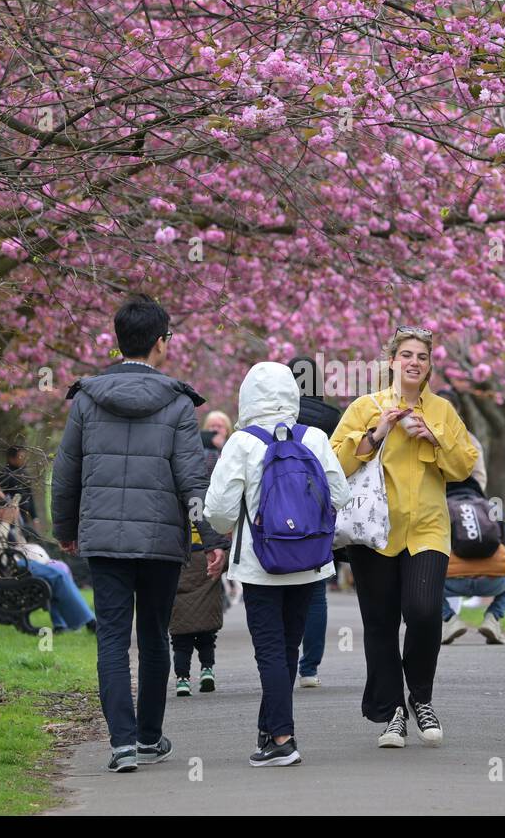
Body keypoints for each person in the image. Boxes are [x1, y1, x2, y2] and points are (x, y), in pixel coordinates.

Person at [51, 294, 226, 774]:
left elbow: (66, 471)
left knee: (111, 639)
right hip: (160, 544)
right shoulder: (176, 402)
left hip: (104, 541)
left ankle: (122, 744)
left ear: (118, 340)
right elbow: (193, 479)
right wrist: (209, 537)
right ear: (161, 343)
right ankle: (149, 738)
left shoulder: (87, 398)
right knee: (153, 637)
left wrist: (65, 529)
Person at [329, 326, 477, 749]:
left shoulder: (443, 411)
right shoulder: (365, 406)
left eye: (422, 357)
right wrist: (376, 433)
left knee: (425, 611)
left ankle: (421, 697)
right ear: (391, 361)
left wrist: (435, 438)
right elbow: (336, 461)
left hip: (427, 529)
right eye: (406, 355)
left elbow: (464, 465)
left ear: (430, 365)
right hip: (373, 531)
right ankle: (393, 712)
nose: (414, 362)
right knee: (380, 623)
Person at [204, 362, 350, 766]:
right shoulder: (315, 437)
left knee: (269, 649)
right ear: (292, 395)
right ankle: (270, 730)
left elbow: (217, 508)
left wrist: (232, 525)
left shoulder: (242, 442)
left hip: (260, 562)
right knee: (288, 648)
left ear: (246, 396)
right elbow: (340, 494)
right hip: (310, 561)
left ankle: (282, 739)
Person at [0, 470, 96, 633]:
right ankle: (88, 622)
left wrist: (5, 519)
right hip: (4, 568)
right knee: (58, 573)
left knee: (57, 570)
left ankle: (66, 624)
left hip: (1, 565)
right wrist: (5, 521)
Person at [288, 355, 343, 688]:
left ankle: (285, 658)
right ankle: (309, 668)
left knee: (280, 584)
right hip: (318, 509)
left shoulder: (275, 417)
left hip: (279, 508)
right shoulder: (332, 419)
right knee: (316, 589)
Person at [440, 470, 505, 645]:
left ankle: (450, 619)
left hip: (452, 582)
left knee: (420, 581)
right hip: (491, 581)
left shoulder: (441, 507)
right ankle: (493, 618)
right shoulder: (492, 506)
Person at [171, 440, 226, 697]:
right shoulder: (205, 498)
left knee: (180, 635)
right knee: (206, 631)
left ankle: (182, 678)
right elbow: (217, 531)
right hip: (204, 563)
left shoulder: (171, 498)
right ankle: (207, 669)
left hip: (179, 564)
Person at [0, 446, 39, 537]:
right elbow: (0, 498)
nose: (24, 459)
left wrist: (34, 517)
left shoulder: (25, 474)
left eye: (24, 457)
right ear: (11, 458)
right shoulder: (4, 475)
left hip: (24, 517)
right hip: (12, 518)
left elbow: (30, 497)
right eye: (21, 457)